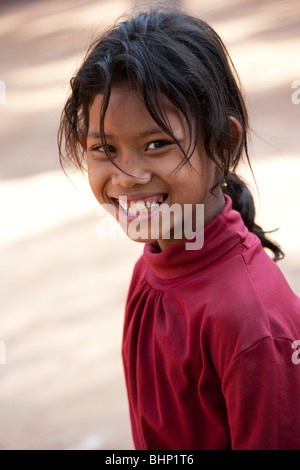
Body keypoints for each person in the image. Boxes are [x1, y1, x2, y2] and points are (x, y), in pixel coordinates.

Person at [58, 8, 300, 450]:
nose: (126, 175)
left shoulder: (251, 320)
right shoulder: (152, 267)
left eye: (156, 144)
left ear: (223, 143)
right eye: (104, 148)